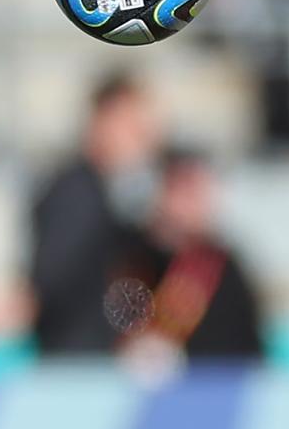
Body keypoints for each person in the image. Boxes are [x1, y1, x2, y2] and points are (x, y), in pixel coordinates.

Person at [30, 70, 159, 354]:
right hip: (77, 368)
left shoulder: (99, 193)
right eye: (132, 127)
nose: (144, 139)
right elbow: (53, 283)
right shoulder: (76, 194)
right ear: (102, 121)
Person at [114, 146, 264, 364]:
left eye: (201, 192)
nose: (195, 203)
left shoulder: (223, 265)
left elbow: (244, 345)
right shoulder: (133, 257)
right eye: (185, 191)